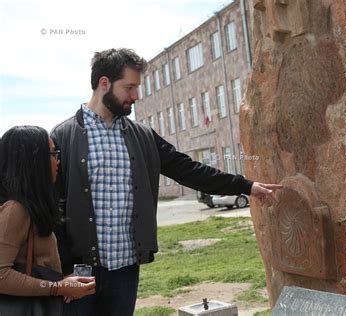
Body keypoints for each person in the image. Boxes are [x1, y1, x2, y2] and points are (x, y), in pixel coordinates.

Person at [50, 48, 282, 315]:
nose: (136, 96)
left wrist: (247, 186)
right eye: (129, 87)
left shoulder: (142, 136)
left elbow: (189, 170)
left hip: (125, 270)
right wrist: (63, 269)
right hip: (79, 273)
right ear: (104, 84)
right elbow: (52, 207)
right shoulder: (62, 136)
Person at [0, 126, 96, 312]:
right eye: (53, 153)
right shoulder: (15, 209)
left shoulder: (29, 204)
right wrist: (57, 288)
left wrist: (62, 283)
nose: (57, 161)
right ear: (33, 161)